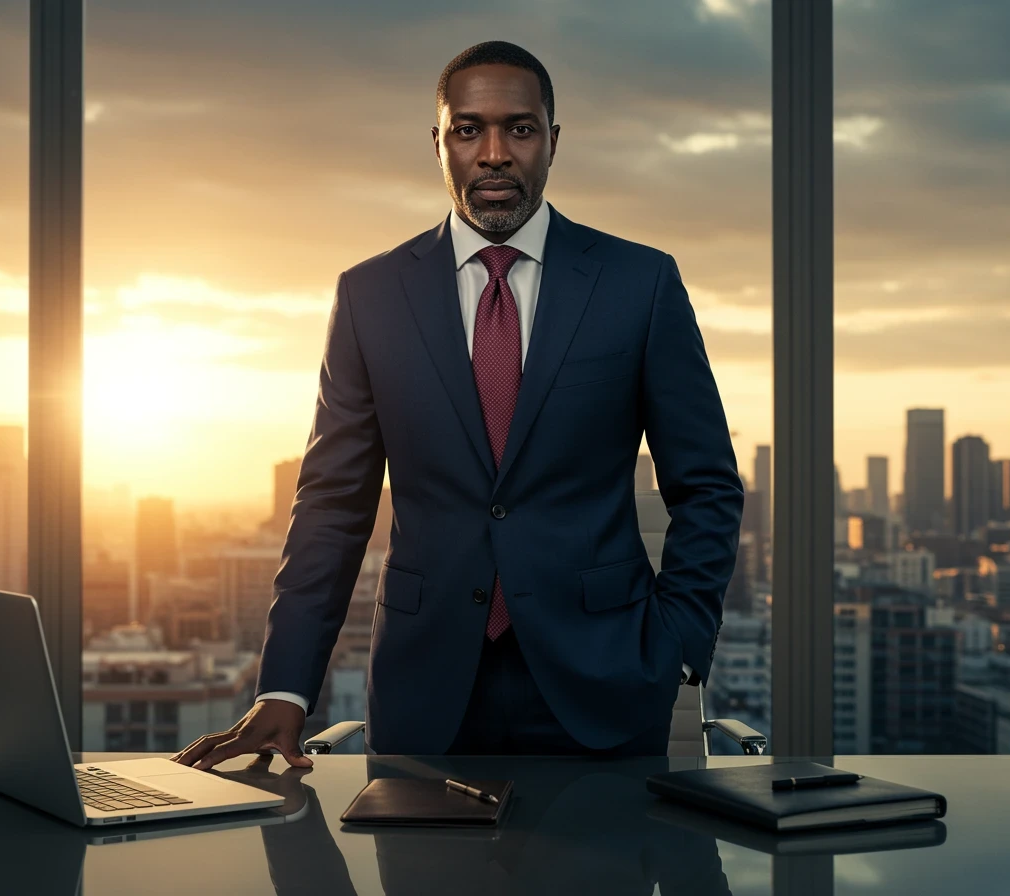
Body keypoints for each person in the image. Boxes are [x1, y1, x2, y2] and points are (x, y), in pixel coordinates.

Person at [172, 39, 742, 766]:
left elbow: (708, 483)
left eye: (521, 128)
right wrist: (285, 688)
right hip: (425, 689)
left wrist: (680, 644)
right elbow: (332, 505)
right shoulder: (370, 296)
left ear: (553, 142)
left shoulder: (641, 283)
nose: (495, 153)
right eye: (469, 129)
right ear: (438, 144)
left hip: (607, 679)